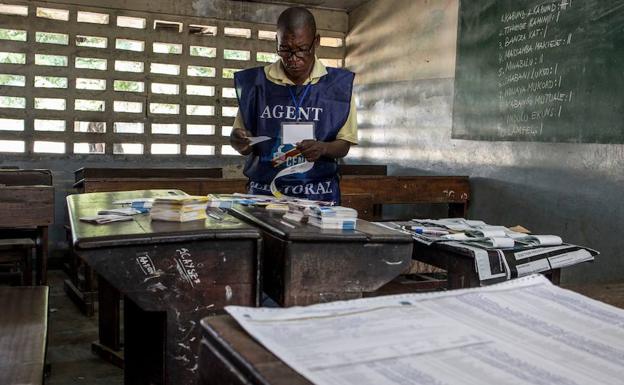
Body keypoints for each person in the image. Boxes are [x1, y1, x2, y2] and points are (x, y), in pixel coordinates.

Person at [230, 6, 357, 203]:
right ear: (276, 43)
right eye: (285, 50)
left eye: (301, 49)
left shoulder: (338, 88)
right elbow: (240, 140)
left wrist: (323, 148)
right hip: (265, 195)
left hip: (318, 195)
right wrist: (239, 142)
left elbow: (344, 145)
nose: (293, 59)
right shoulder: (256, 85)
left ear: (316, 42)